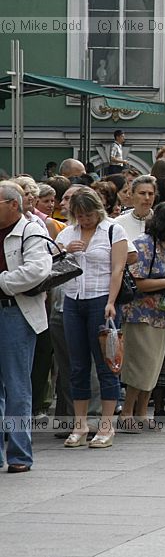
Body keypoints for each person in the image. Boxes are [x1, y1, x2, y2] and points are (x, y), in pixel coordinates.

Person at [55, 187, 129, 449]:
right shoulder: (67, 233)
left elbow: (118, 269)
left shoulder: (112, 230)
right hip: (73, 300)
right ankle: (80, 424)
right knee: (77, 366)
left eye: (88, 215)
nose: (85, 220)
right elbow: (54, 266)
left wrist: (111, 301)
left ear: (98, 211)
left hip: (100, 299)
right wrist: (64, 251)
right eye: (80, 216)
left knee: (106, 364)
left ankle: (107, 426)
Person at [119, 202, 165, 432]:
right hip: (140, 313)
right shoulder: (143, 245)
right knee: (139, 365)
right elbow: (137, 282)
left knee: (153, 365)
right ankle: (127, 413)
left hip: (161, 314)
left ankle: (141, 413)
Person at [0, 181, 53, 473]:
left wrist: (1, 283)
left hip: (15, 313)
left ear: (12, 205)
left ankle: (19, 455)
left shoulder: (31, 230)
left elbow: (37, 270)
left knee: (17, 386)